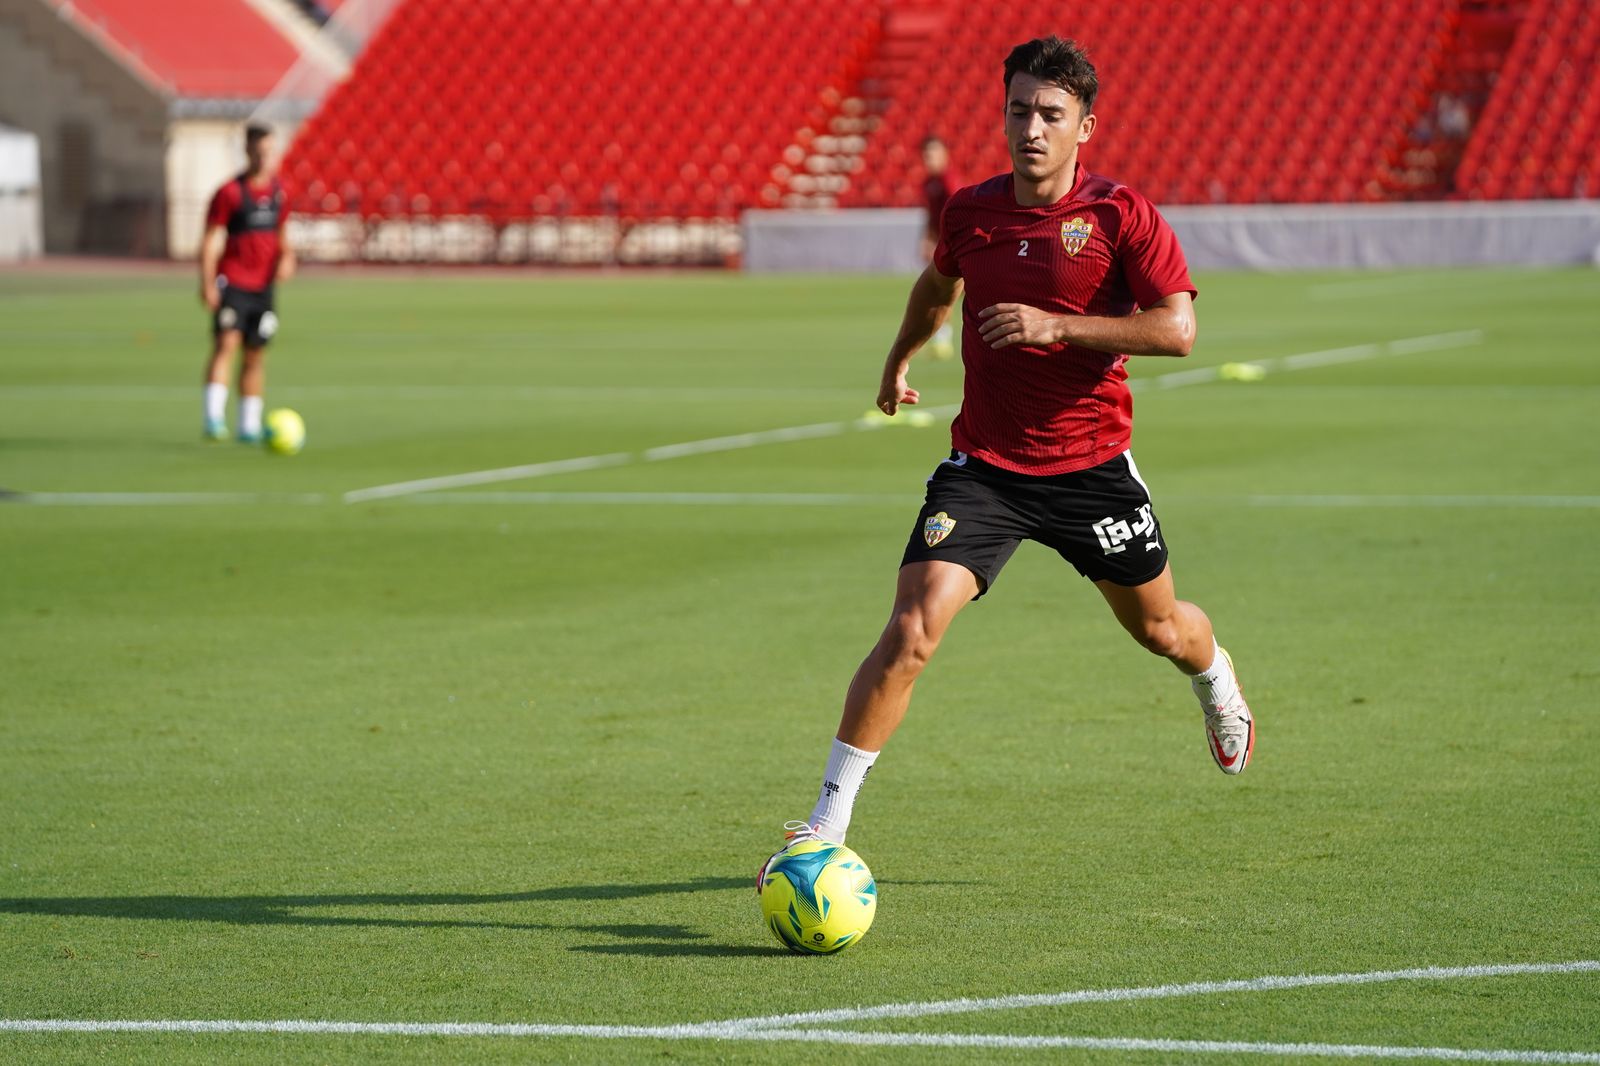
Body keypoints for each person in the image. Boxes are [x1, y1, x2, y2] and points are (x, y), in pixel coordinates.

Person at [763, 36, 1254, 870]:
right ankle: (827, 822)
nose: (1031, 128)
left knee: (1164, 630)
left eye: (1050, 115)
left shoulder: (1118, 215)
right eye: (1019, 110)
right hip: (986, 468)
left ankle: (1218, 683)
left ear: (1085, 126)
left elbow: (1178, 328)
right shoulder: (972, 212)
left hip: (1092, 467)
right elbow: (936, 286)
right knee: (912, 630)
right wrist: (898, 357)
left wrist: (1056, 325)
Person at [199, 123, 295, 442]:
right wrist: (208, 282)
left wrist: (287, 257)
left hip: (263, 288)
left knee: (256, 352)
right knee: (227, 343)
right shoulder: (230, 193)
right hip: (234, 281)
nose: (265, 158)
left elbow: (282, 235)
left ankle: (248, 425)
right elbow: (212, 240)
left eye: (270, 151)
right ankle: (213, 418)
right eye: (259, 151)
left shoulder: (280, 192)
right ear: (248, 151)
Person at [919, 136, 961, 360]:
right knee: (942, 294)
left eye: (933, 154)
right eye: (926, 155)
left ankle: (943, 339)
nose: (929, 159)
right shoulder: (929, 182)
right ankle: (942, 340)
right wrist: (927, 239)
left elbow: (957, 214)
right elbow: (930, 215)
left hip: (954, 246)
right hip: (942, 246)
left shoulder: (949, 181)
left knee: (950, 293)